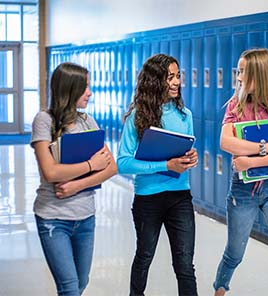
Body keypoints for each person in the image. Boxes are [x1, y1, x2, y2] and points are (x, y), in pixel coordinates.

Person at [213, 48, 268, 296]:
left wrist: (250, 161)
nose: (239, 77)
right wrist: (267, 148)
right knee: (234, 253)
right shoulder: (236, 104)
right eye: (238, 71)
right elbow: (226, 142)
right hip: (242, 192)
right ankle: (219, 291)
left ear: (261, 75)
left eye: (244, 72)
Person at [31, 62, 117, 296]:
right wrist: (91, 165)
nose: (90, 92)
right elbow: (50, 172)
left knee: (81, 283)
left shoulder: (88, 122)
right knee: (69, 288)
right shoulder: (44, 121)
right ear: (70, 89)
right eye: (85, 87)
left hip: (85, 217)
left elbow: (111, 168)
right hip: (53, 218)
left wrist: (76, 185)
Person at [117, 53, 199, 296]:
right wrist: (165, 165)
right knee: (144, 256)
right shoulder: (137, 116)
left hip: (180, 196)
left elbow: (188, 149)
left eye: (177, 76)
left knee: (185, 265)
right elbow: (123, 163)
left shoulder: (186, 114)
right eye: (169, 77)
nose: (176, 82)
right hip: (148, 199)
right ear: (155, 81)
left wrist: (190, 158)